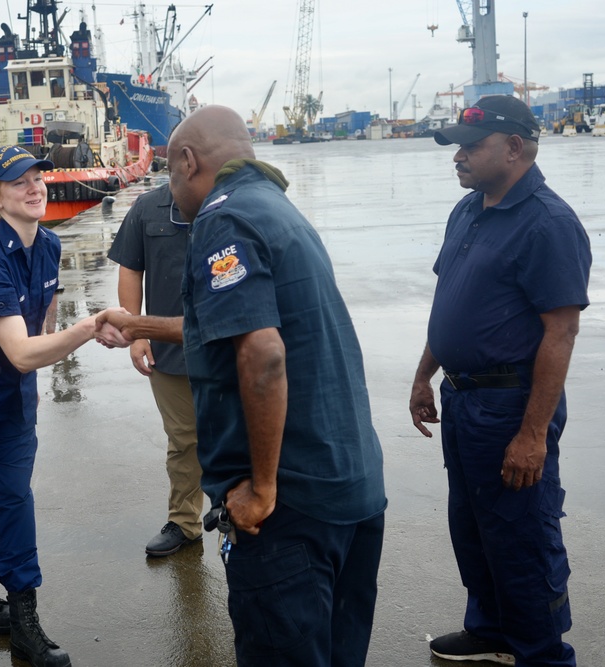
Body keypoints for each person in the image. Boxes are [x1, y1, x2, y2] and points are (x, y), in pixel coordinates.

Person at [96, 105, 387, 666]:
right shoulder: (276, 207)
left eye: (169, 171)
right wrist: (140, 325)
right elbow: (238, 326)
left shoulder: (222, 219)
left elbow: (263, 355)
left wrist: (261, 489)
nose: (170, 187)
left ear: (187, 160)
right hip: (350, 487)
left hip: (292, 508)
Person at [0, 145, 125, 667]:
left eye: (38, 177)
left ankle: (25, 621)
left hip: (11, 402)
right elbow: (21, 350)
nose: (35, 187)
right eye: (19, 182)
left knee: (13, 501)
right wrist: (89, 326)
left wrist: (77, 335)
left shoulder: (50, 246)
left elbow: (42, 333)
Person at [410, 95, 591, 666]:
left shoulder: (549, 224)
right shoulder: (467, 210)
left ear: (515, 148)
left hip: (510, 404)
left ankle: (541, 653)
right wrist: (423, 376)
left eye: (471, 146)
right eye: (457, 147)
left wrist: (533, 433)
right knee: (471, 525)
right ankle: (490, 630)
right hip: (461, 398)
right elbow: (453, 302)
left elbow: (559, 333)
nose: (458, 158)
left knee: (522, 536)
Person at [107, 184, 204, 556]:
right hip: (168, 350)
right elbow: (131, 269)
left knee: (238, 434)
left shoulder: (229, 201)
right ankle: (184, 521)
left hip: (231, 347)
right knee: (183, 440)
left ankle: (244, 517)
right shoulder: (147, 208)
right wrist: (135, 334)